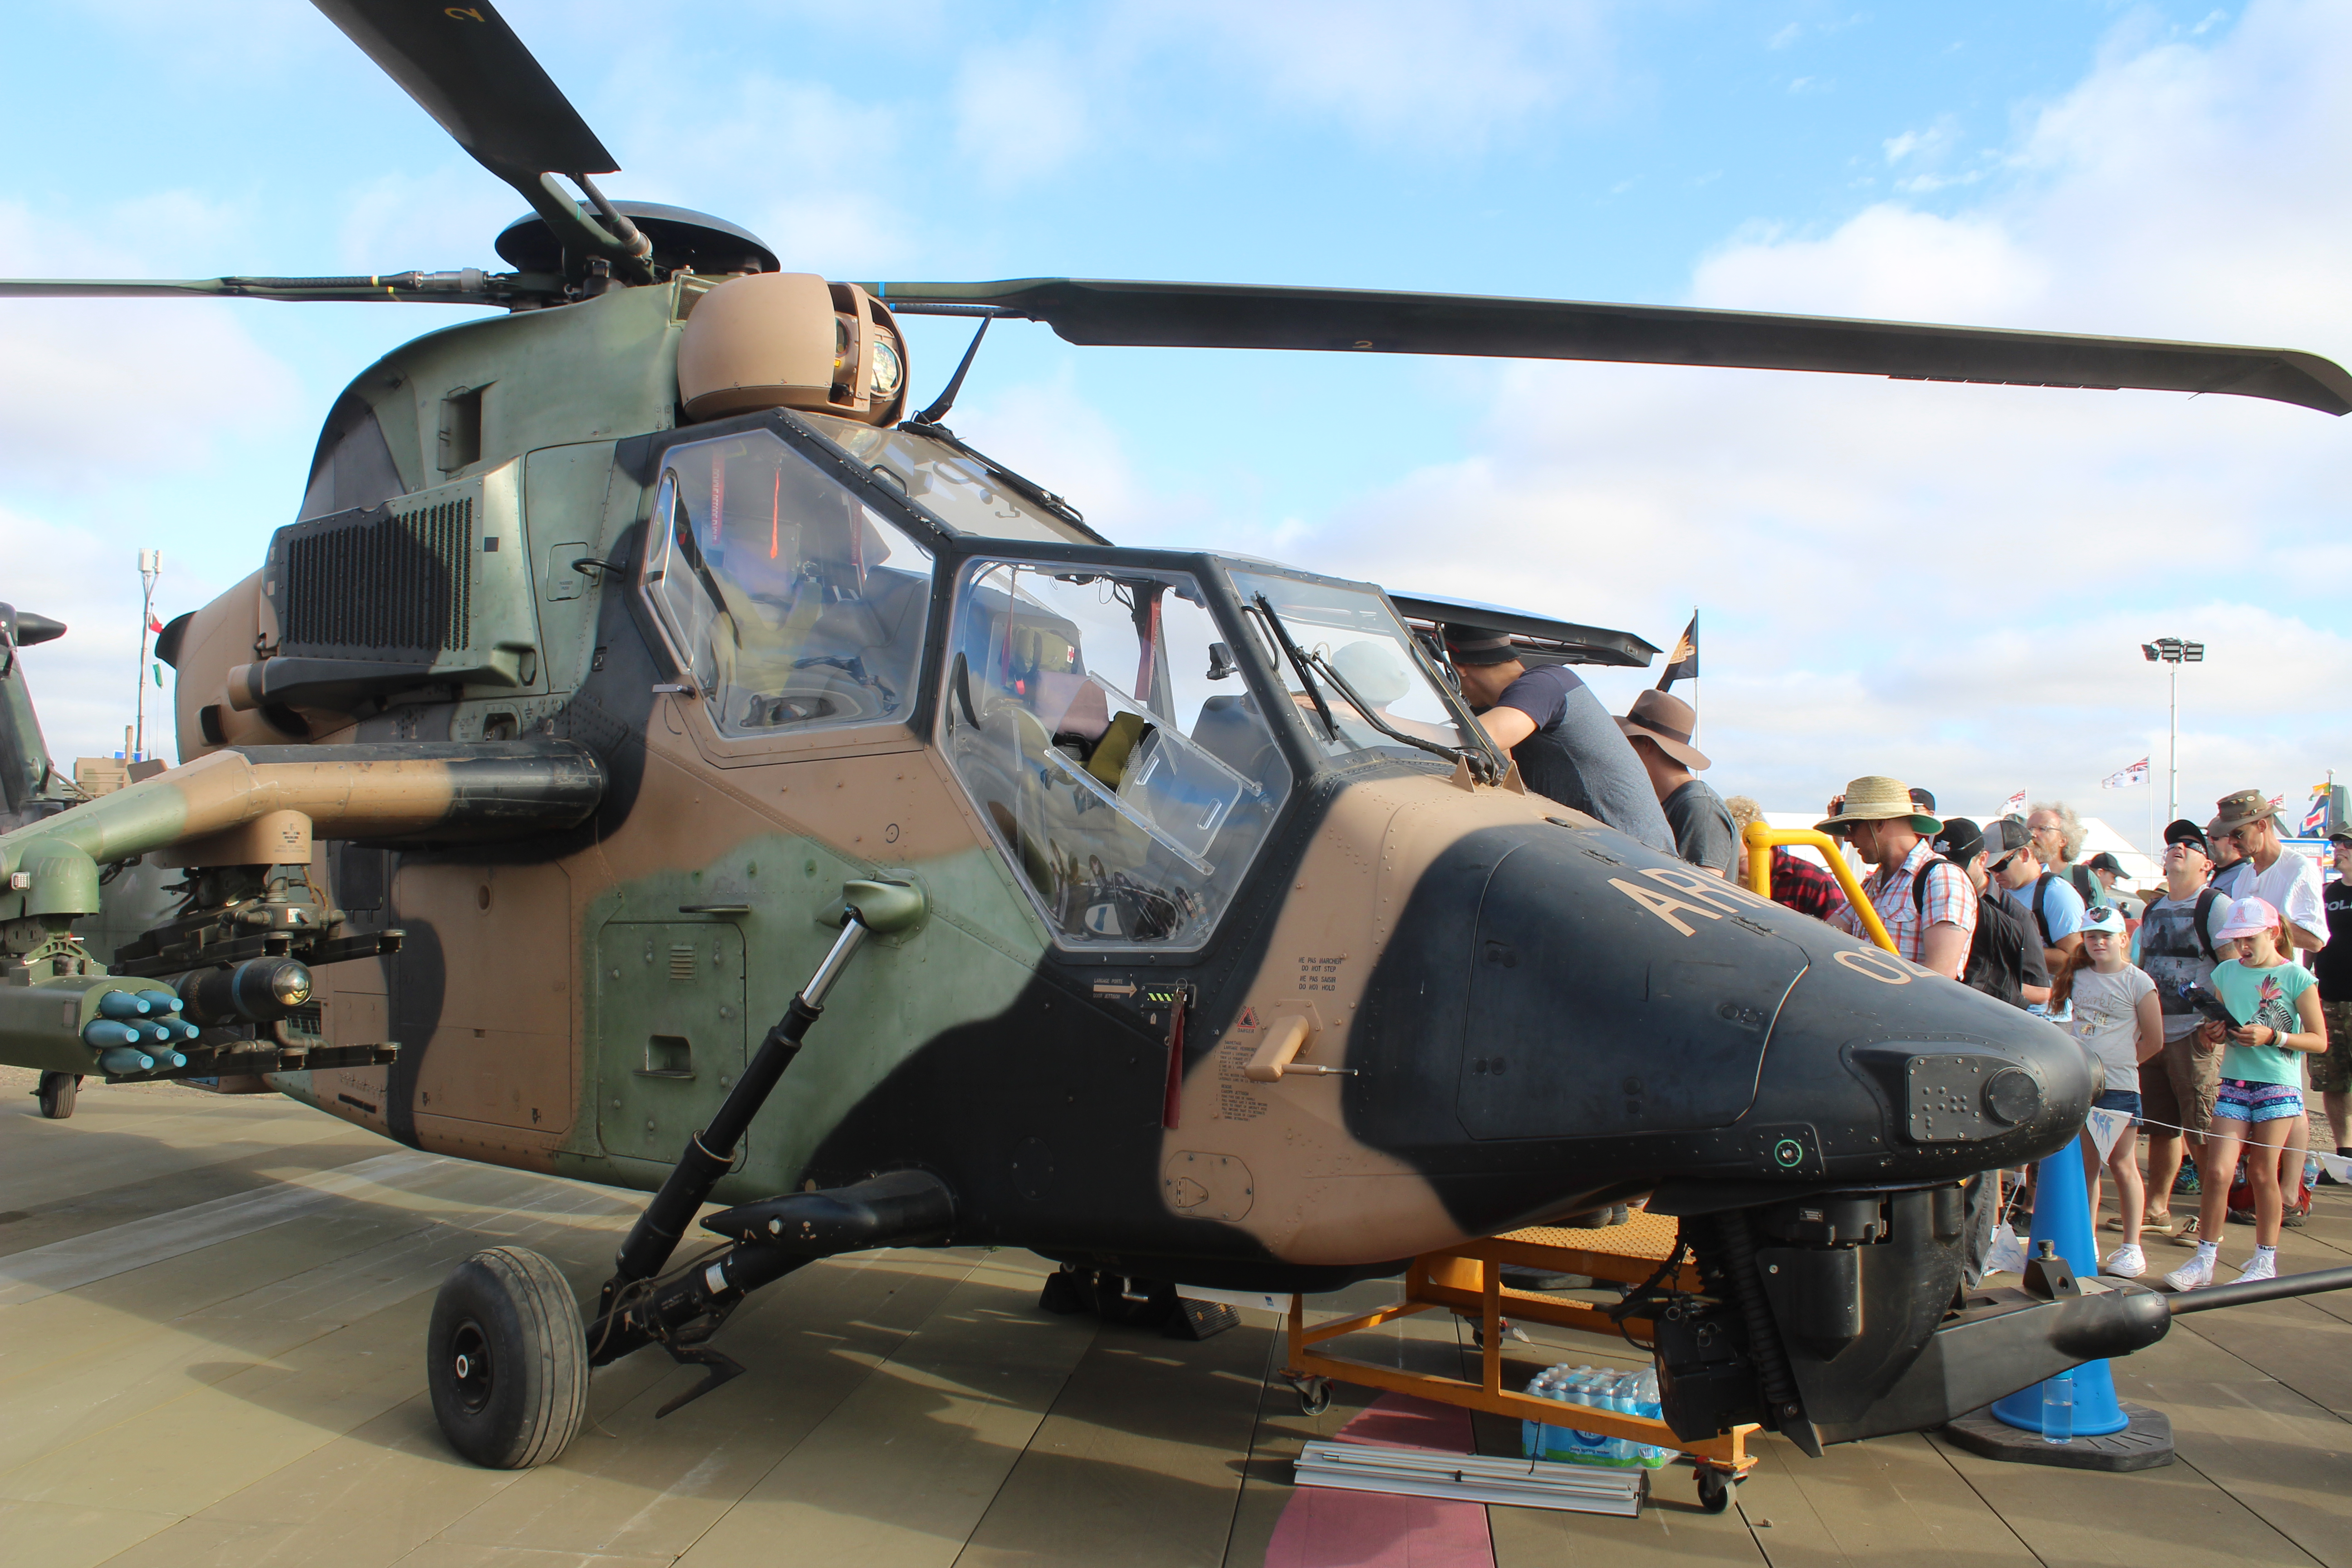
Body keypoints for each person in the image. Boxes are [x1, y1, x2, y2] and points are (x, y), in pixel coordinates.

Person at [2164, 897, 2328, 1289]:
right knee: (2218, 1171)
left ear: (2273, 932)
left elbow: (2319, 1040)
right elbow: (2218, 1023)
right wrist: (2214, 1032)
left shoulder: (2297, 977)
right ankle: (2205, 1258)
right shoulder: (2226, 973)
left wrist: (2275, 1036)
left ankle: (2264, 1260)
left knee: (2260, 1171)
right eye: (2238, 941)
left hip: (2278, 1084)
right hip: (2235, 1080)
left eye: (2250, 939)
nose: (2243, 948)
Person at [1444, 629, 1674, 854]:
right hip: (1615, 855)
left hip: (1636, 859)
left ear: (1459, 669)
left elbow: (1475, 742)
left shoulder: (1545, 684)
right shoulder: (1532, 691)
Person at [2131, 819, 2231, 1235]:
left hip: (2195, 1033)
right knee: (2161, 1128)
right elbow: (2140, 970)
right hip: (2155, 1033)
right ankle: (2156, 1208)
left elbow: (2232, 967)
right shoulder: (2152, 909)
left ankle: (2212, 1223)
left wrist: (2219, 1020)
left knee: (2202, 1132)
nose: (2178, 848)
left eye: (2190, 845)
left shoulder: (2216, 905)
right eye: (2173, 843)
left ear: (2207, 863)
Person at [2056, 906, 2163, 1277]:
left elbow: (2154, 1039)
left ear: (2123, 939)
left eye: (2105, 935)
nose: (2098, 942)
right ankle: (2086, 1239)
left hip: (2119, 1087)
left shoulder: (2138, 981)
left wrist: (2123, 1064)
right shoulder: (2078, 977)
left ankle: (2132, 1246)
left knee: (2122, 1163)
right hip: (2084, 1083)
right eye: (2091, 936)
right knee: (2088, 1167)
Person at [1817, 777, 1975, 980]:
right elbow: (1826, 935)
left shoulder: (1942, 877)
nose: (1848, 838)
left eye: (1852, 827)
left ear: (1879, 824)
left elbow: (1941, 975)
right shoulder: (1873, 883)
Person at [1928, 816, 2048, 1007]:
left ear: (1982, 859)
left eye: (1958, 866)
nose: (1950, 873)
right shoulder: (1928, 897)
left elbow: (2041, 991)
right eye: (1940, 866)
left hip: (1987, 1020)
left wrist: (1987, 982)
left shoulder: (2016, 916)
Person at [1617, 689, 1735, 875]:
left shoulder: (1700, 807)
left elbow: (1705, 892)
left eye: (1627, 741)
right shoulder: (1683, 802)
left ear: (1647, 744)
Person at [2211, 789, 2326, 952]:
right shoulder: (2245, 875)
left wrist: (2260, 924)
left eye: (2238, 834)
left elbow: (2315, 941)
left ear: (2262, 826)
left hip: (2281, 977)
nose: (2231, 842)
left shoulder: (2299, 869)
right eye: (2228, 835)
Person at [1989, 816, 2088, 977]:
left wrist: (2012, 949)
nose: (1994, 874)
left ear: (2025, 855)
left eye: (2000, 865)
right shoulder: (1997, 888)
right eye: (1989, 868)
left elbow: (2074, 959)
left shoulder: (2056, 893)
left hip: (2043, 998)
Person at [1725, 794, 1848, 921]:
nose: (1732, 870)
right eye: (1726, 863)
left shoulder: (1814, 882)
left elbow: (1841, 937)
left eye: (1740, 861)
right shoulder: (1725, 883)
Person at [2313, 828, 2352, 1178]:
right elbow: (2313, 941)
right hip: (2328, 998)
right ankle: (2345, 1158)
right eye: (2338, 844)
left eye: (2347, 844)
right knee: (2332, 1081)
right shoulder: (2328, 894)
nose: (2339, 849)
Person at [2029, 802, 2100, 907]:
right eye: (2029, 829)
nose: (2032, 834)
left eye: (2043, 829)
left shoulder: (2083, 878)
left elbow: (2101, 921)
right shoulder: (2017, 877)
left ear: (2063, 840)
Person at [2209, 814, 2255, 901]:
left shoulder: (2246, 877)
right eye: (2208, 835)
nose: (2209, 841)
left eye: (2215, 837)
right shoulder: (2210, 874)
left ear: (2234, 839)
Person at [2085, 852, 2144, 920]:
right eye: (2114, 877)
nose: (2114, 883)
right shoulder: (2082, 898)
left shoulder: (2107, 901)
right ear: (2100, 873)